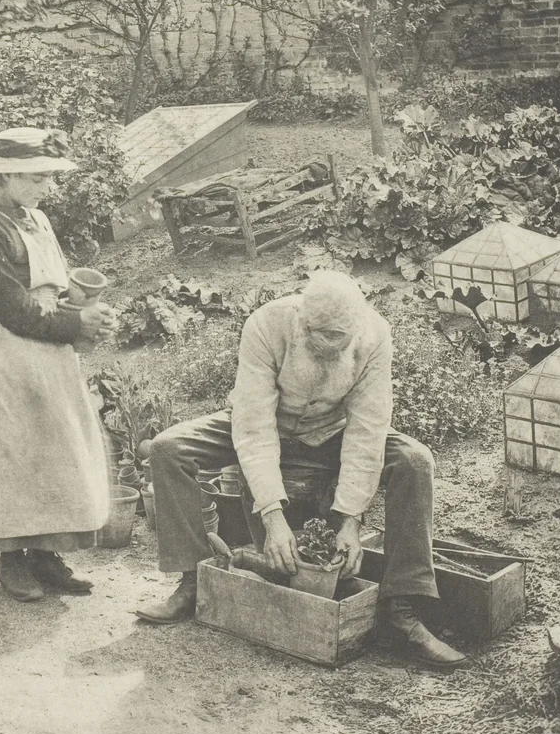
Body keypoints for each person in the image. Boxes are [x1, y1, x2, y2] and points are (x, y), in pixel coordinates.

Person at [134, 269, 466, 670]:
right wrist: (272, 517)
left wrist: (351, 521)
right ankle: (194, 580)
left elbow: (367, 430)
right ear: (303, 322)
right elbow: (254, 427)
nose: (329, 346)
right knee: (169, 449)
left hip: (332, 431)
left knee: (415, 460)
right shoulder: (267, 324)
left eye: (339, 339)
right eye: (319, 336)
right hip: (266, 421)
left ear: (356, 328)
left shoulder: (375, 336)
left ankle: (400, 608)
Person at [0, 126, 117, 602]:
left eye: (48, 177)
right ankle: (12, 559)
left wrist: (83, 306)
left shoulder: (35, 219)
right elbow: (14, 309)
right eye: (39, 177)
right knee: (15, 457)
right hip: (9, 356)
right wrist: (75, 323)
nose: (47, 188)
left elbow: (50, 288)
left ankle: (47, 555)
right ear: (7, 175)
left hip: (48, 353)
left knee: (54, 453)